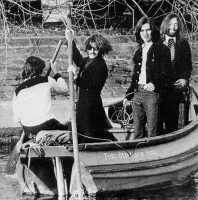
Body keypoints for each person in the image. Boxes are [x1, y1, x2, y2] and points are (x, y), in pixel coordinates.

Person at [123, 16, 171, 139]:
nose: (145, 33)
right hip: (138, 92)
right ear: (139, 32)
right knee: (137, 132)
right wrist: (129, 95)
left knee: (152, 132)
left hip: (152, 94)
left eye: (148, 30)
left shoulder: (162, 49)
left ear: (152, 31)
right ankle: (138, 155)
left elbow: (167, 73)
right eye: (142, 30)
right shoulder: (139, 51)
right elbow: (135, 76)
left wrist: (155, 84)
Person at [66, 31, 116, 143]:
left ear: (101, 50)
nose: (92, 51)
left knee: (90, 134)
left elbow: (93, 87)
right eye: (90, 48)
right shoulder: (87, 60)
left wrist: (76, 77)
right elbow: (78, 59)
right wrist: (71, 40)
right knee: (80, 132)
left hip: (92, 107)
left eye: (95, 49)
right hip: (82, 104)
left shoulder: (101, 66)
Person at [13, 56, 69, 143]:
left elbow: (18, 119)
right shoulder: (47, 80)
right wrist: (56, 73)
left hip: (29, 131)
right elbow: (64, 89)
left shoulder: (17, 91)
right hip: (46, 127)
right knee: (69, 125)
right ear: (40, 70)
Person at [158, 13, 192, 134]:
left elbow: (188, 66)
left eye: (176, 24)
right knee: (156, 127)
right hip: (159, 91)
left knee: (172, 126)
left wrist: (184, 79)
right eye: (171, 24)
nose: (173, 27)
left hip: (175, 91)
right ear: (165, 24)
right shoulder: (157, 43)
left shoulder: (183, 44)